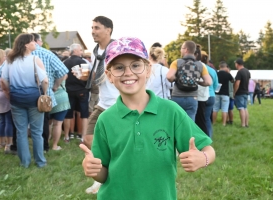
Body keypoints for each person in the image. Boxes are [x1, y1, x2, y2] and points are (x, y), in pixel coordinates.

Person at [80, 37, 216, 200]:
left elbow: (208, 149)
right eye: (119, 67)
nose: (128, 72)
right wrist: (93, 169)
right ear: (109, 75)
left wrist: (203, 158)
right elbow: (103, 174)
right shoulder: (105, 119)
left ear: (148, 70)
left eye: (136, 65)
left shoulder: (170, 111)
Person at [82, 16, 119, 194]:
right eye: (92, 27)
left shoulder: (117, 49)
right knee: (89, 138)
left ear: (108, 30)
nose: (93, 31)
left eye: (97, 28)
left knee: (115, 144)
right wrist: (87, 77)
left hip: (118, 103)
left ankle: (108, 178)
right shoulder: (96, 51)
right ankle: (103, 175)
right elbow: (98, 77)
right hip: (103, 103)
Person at [1, 33, 48, 168]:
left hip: (16, 98)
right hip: (34, 98)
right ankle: (40, 161)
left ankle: (25, 162)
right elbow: (44, 80)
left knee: (21, 132)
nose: (35, 43)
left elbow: (3, 80)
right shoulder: (35, 59)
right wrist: (44, 93)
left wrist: (10, 93)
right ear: (26, 45)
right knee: (36, 132)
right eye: (33, 41)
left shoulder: (10, 60)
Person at [31, 33, 68, 152]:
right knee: (45, 122)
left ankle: (20, 148)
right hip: (44, 93)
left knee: (26, 125)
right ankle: (44, 147)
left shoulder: (19, 55)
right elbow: (63, 72)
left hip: (24, 93)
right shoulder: (47, 53)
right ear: (37, 41)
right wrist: (55, 86)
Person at [167, 41, 212, 121]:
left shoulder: (176, 62)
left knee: (175, 122)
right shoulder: (200, 65)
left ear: (186, 50)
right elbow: (209, 82)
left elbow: (169, 76)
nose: (181, 50)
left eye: (181, 48)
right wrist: (198, 82)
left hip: (177, 96)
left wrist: (176, 78)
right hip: (192, 98)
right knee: (190, 124)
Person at [63, 43, 89, 141]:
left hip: (68, 91)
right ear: (76, 51)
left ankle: (66, 136)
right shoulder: (83, 62)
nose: (82, 52)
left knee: (68, 114)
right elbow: (85, 77)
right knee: (84, 114)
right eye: (81, 50)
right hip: (81, 90)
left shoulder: (65, 62)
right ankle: (83, 137)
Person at [201, 51, 218, 137]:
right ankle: (209, 137)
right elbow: (216, 85)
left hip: (201, 96)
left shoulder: (197, 68)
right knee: (207, 119)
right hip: (211, 95)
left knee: (199, 119)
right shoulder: (212, 70)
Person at [212, 61, 234, 126]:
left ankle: (214, 122)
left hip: (217, 93)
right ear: (226, 67)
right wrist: (228, 73)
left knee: (215, 108)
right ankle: (224, 123)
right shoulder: (227, 74)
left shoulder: (216, 74)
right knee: (224, 109)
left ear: (219, 66)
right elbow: (232, 81)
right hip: (225, 94)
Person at [194, 46, 209, 135]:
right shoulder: (201, 65)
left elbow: (207, 81)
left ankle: (205, 142)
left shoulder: (199, 65)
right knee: (200, 121)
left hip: (200, 97)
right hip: (200, 96)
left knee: (200, 121)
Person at [234, 58, 250, 127]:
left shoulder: (240, 72)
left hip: (240, 92)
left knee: (241, 108)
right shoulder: (247, 71)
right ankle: (246, 124)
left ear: (237, 64)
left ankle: (243, 124)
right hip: (246, 92)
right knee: (245, 108)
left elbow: (237, 83)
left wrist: (234, 92)